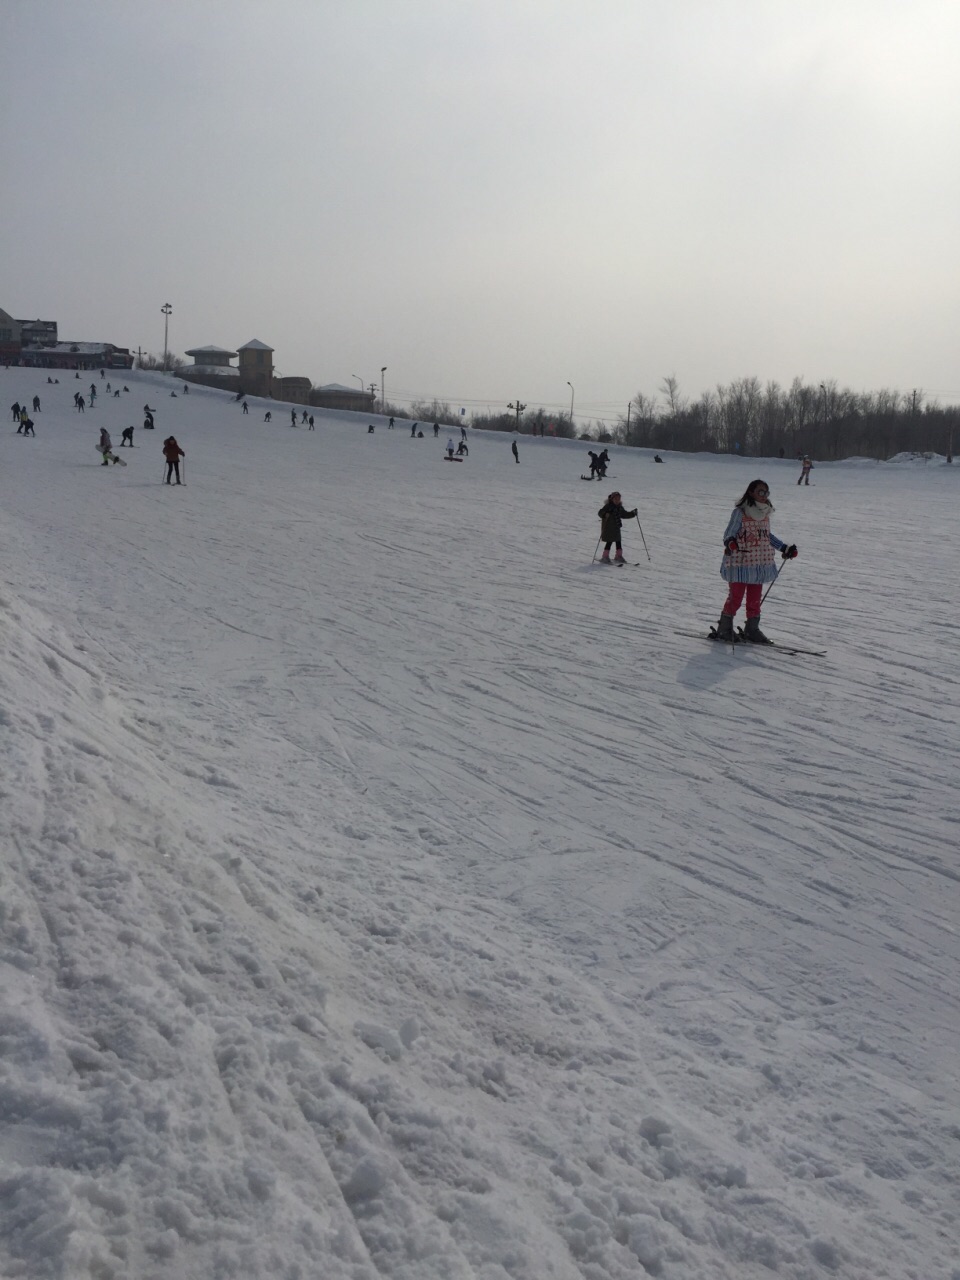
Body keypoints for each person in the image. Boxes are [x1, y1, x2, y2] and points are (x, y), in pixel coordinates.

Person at [713, 479, 797, 644]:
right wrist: (730, 542)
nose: (764, 496)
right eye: (760, 492)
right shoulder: (740, 512)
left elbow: (767, 536)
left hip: (759, 562)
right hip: (740, 562)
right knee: (736, 597)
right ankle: (724, 627)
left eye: (766, 493)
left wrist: (785, 548)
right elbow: (729, 533)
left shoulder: (765, 513)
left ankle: (752, 629)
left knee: (754, 599)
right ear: (751, 492)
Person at [597, 491, 637, 562]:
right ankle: (605, 556)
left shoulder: (619, 507)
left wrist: (633, 513)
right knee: (609, 541)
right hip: (608, 528)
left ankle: (618, 556)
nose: (617, 500)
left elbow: (624, 514)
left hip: (616, 527)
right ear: (612, 499)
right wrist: (605, 514)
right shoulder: (608, 506)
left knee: (618, 541)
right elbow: (600, 513)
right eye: (615, 499)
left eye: (618, 499)